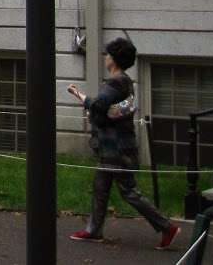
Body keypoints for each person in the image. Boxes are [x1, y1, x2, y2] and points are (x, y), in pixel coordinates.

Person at [67, 37, 178, 249]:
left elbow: (99, 105)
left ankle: (167, 227)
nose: (106, 58)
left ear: (114, 59)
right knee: (100, 186)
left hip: (116, 147)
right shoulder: (126, 81)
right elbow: (112, 112)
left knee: (128, 191)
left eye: (108, 54)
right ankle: (93, 230)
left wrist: (77, 94)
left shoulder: (115, 82)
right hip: (115, 146)